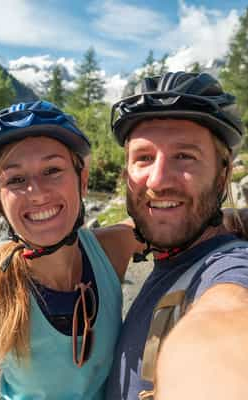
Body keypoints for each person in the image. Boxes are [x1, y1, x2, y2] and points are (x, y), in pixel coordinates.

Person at [0, 100, 140, 400]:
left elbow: (173, 223)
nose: (37, 193)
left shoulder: (112, 248)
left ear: (83, 181)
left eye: (52, 170)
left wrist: (233, 218)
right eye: (16, 180)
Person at [105, 71, 248, 400]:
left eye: (185, 156)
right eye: (143, 158)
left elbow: (226, 318)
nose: (157, 181)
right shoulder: (168, 259)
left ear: (223, 173)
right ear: (126, 173)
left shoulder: (230, 266)